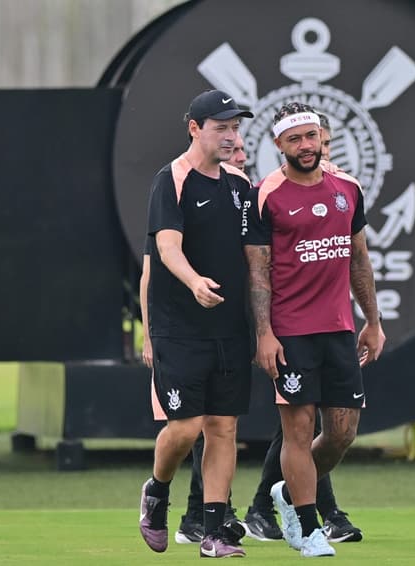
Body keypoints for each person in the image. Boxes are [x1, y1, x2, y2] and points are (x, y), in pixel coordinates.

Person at [242, 102, 386, 557]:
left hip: (339, 328)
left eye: (312, 137)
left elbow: (358, 259)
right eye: (295, 139)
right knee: (297, 431)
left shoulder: (348, 187)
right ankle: (308, 528)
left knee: (342, 434)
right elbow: (258, 272)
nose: (306, 146)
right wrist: (265, 333)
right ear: (278, 144)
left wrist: (373, 322)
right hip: (291, 332)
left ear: (323, 138)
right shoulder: (266, 194)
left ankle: (286, 492)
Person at [138, 89, 253, 559]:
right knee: (185, 428)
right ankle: (158, 491)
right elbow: (166, 249)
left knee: (224, 428)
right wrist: (193, 282)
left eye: (236, 127)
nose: (231, 136)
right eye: (221, 127)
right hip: (178, 326)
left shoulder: (241, 186)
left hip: (229, 329)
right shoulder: (172, 179)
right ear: (194, 128)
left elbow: (258, 257)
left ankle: (212, 532)